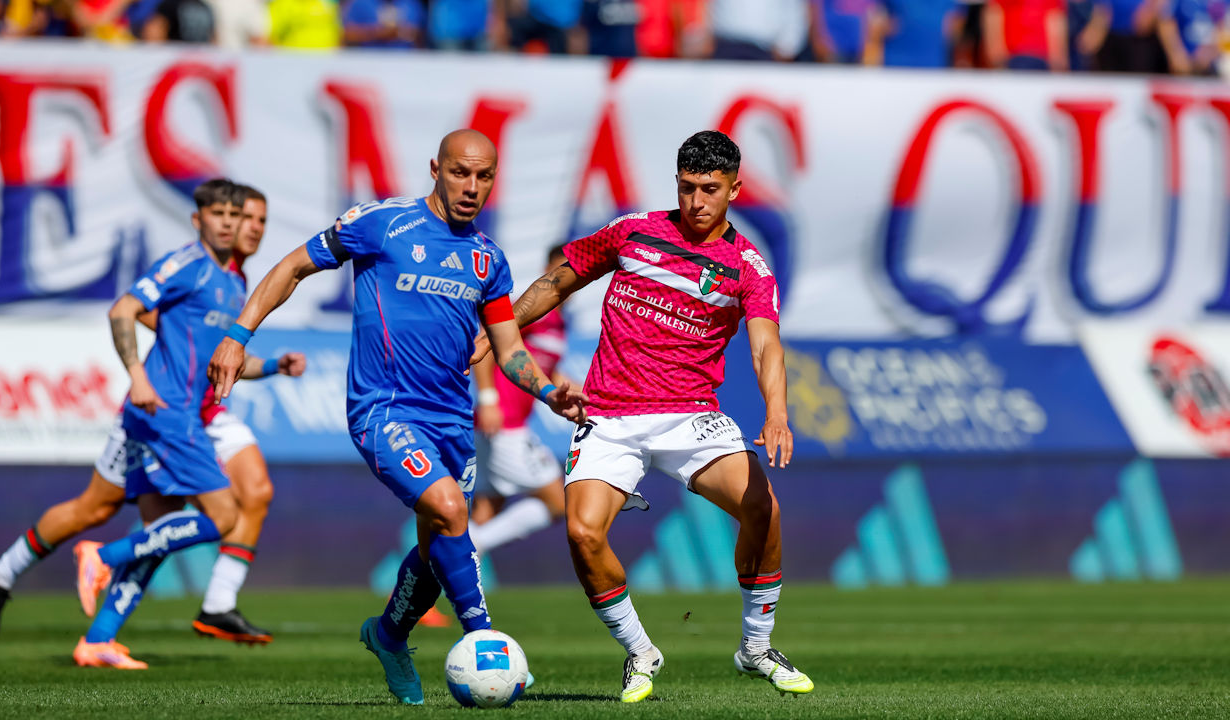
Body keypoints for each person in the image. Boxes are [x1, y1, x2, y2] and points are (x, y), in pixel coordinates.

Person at [206, 129, 585, 705]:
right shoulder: (381, 224)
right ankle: (486, 641)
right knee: (451, 508)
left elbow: (508, 348)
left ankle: (388, 636)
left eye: (484, 177)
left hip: (452, 423)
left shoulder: (489, 259)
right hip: (383, 410)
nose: (472, 187)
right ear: (435, 168)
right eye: (460, 173)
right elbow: (291, 268)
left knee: (441, 538)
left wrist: (547, 391)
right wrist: (238, 334)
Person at [472, 130, 810, 702]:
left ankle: (756, 646)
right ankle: (641, 651)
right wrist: (500, 331)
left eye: (710, 189)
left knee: (763, 507)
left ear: (735, 188)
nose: (697, 202)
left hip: (690, 417)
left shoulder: (747, 266)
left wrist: (777, 411)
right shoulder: (632, 231)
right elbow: (555, 283)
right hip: (610, 416)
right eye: (687, 188)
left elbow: (765, 345)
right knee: (581, 532)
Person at [0, 185, 300, 647]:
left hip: (191, 414)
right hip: (166, 415)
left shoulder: (235, 283)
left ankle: (104, 637)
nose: (244, 226)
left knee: (168, 526)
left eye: (253, 219)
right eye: (236, 215)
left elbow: (218, 355)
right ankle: (40, 567)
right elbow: (128, 309)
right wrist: (139, 374)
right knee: (106, 509)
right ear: (201, 219)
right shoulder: (189, 266)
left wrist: (272, 366)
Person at [469, 246, 570, 556]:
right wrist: (487, 399)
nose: (567, 275)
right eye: (560, 268)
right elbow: (485, 342)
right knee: (560, 502)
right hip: (504, 424)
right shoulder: (532, 309)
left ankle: (417, 594)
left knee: (484, 513)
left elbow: (545, 370)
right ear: (547, 268)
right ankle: (474, 545)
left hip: (501, 426)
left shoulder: (558, 321)